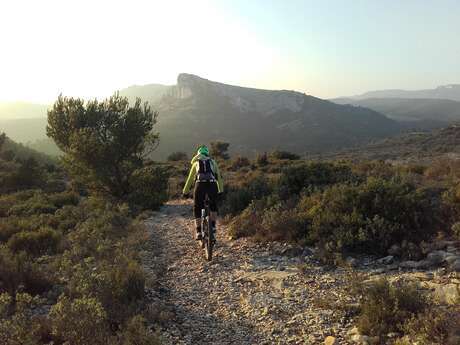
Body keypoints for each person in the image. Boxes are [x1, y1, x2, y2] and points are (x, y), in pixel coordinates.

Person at [182, 145, 224, 240]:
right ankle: (212, 226)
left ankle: (198, 232)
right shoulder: (213, 162)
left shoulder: (195, 163)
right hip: (212, 185)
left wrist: (185, 192)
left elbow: (189, 180)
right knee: (213, 205)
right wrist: (221, 190)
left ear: (198, 154)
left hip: (200, 185)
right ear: (207, 154)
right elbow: (219, 178)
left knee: (197, 207)